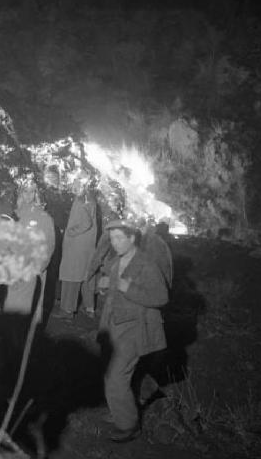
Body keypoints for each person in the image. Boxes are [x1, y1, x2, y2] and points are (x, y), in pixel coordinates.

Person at [97, 217, 169, 443]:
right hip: (115, 326)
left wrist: (128, 287)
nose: (115, 243)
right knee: (112, 374)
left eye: (119, 238)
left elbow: (161, 297)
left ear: (132, 238)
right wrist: (104, 286)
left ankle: (128, 425)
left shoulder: (146, 264)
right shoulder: (116, 262)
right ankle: (122, 411)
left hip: (135, 329)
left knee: (116, 378)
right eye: (112, 239)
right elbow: (112, 290)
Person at [3, 178, 56, 322]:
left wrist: (37, 268)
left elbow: (49, 245)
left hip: (33, 269)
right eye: (25, 191)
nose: (28, 195)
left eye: (32, 192)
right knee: (12, 311)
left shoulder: (43, 217)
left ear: (36, 194)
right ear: (20, 193)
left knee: (26, 314)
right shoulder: (17, 213)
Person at [58, 178, 98, 318]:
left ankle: (67, 311)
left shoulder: (82, 199)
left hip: (77, 246)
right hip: (84, 247)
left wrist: (71, 232)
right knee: (83, 277)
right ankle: (89, 308)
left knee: (71, 277)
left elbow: (86, 222)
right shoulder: (89, 198)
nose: (73, 187)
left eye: (75, 184)